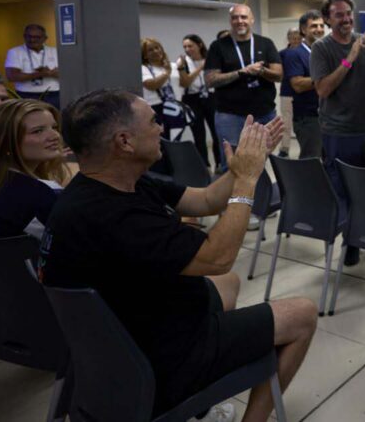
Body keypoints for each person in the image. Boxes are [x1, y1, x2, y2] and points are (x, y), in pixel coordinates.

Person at [39, 89, 316, 421]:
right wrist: (246, 181)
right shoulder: (113, 217)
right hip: (163, 356)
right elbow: (218, 256)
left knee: (227, 283)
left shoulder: (114, 183)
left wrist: (245, 161)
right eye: (153, 122)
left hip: (139, 323)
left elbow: (205, 200)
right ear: (125, 142)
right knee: (303, 313)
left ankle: (204, 401)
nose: (161, 128)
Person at [311, 0, 365, 264]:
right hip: (337, 134)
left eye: (348, 14)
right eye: (339, 15)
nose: (345, 19)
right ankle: (352, 241)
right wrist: (349, 58)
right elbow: (322, 88)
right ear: (327, 19)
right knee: (344, 193)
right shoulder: (322, 49)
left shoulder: (364, 42)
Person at [0, 99, 70, 240]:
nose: (55, 136)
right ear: (5, 142)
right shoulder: (39, 193)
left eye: (54, 128)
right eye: (37, 131)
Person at [204, 4, 283, 170]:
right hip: (230, 116)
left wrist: (261, 71)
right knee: (232, 164)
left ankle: (257, 195)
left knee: (260, 162)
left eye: (244, 17)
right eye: (235, 17)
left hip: (264, 114)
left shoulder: (265, 43)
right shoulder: (218, 46)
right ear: (230, 21)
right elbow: (210, 80)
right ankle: (234, 196)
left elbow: (278, 75)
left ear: (252, 20)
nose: (239, 21)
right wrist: (242, 72)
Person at [283, 12, 324, 159]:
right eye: (314, 26)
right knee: (311, 160)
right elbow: (298, 85)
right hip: (308, 118)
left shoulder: (324, 50)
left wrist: (345, 64)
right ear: (303, 29)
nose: (319, 29)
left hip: (328, 115)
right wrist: (326, 78)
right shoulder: (295, 54)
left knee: (329, 160)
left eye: (321, 25)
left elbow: (342, 68)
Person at [179, 34, 221, 168]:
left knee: (217, 132)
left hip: (210, 97)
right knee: (199, 134)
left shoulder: (211, 58)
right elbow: (185, 82)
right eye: (185, 46)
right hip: (192, 98)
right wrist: (199, 68)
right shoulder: (183, 62)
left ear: (199, 45)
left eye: (190, 46)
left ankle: (220, 162)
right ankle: (204, 165)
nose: (187, 49)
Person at [4, 24, 60, 109]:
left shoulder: (55, 51)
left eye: (37, 37)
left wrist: (51, 73)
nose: (32, 40)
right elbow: (12, 76)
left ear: (45, 38)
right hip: (25, 95)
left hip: (53, 95)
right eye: (29, 36)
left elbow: (67, 74)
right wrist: (43, 73)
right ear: (24, 36)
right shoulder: (14, 52)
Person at [141, 38, 179, 140]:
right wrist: (167, 72)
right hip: (155, 107)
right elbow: (151, 85)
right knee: (162, 140)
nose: (155, 51)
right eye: (150, 50)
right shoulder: (143, 68)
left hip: (173, 107)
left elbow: (183, 84)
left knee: (175, 139)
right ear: (144, 55)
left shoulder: (172, 66)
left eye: (157, 48)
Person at [276, 29, 301, 157]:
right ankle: (284, 148)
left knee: (305, 122)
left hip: (304, 94)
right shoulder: (282, 54)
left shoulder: (306, 52)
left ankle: (307, 147)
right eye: (293, 38)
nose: (296, 40)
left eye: (298, 38)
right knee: (286, 122)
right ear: (289, 38)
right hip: (287, 93)